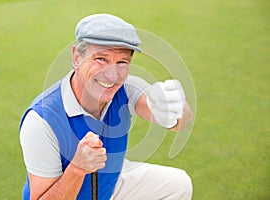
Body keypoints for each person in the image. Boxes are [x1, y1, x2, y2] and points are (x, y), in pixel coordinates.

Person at [19, 13, 194, 200]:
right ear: (77, 57)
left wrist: (176, 109)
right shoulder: (40, 121)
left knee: (178, 184)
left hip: (110, 186)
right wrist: (77, 169)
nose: (112, 76)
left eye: (122, 62)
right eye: (101, 59)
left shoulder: (127, 89)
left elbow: (176, 123)